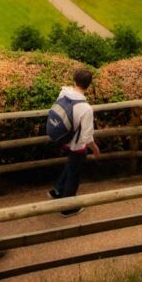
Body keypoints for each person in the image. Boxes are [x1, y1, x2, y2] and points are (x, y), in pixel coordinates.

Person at [48, 68, 101, 216]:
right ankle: (68, 207)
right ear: (88, 85)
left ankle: (57, 190)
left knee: (71, 165)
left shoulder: (63, 93)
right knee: (74, 173)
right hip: (76, 145)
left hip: (62, 138)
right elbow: (87, 136)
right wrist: (96, 150)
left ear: (74, 80)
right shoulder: (85, 108)